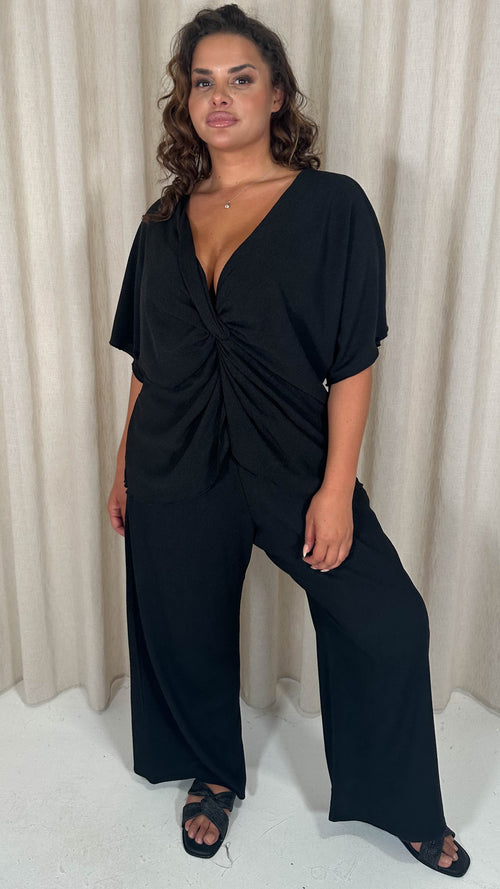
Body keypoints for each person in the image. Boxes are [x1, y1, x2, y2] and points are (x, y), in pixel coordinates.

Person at [107, 3, 470, 878]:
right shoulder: (162, 221)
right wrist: (122, 467)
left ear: (277, 94)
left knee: (388, 622)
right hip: (173, 458)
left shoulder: (332, 206)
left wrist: (336, 488)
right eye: (202, 81)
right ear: (185, 100)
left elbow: (353, 358)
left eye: (241, 78)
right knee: (183, 623)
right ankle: (212, 773)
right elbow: (149, 361)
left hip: (293, 458)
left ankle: (400, 804)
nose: (219, 97)